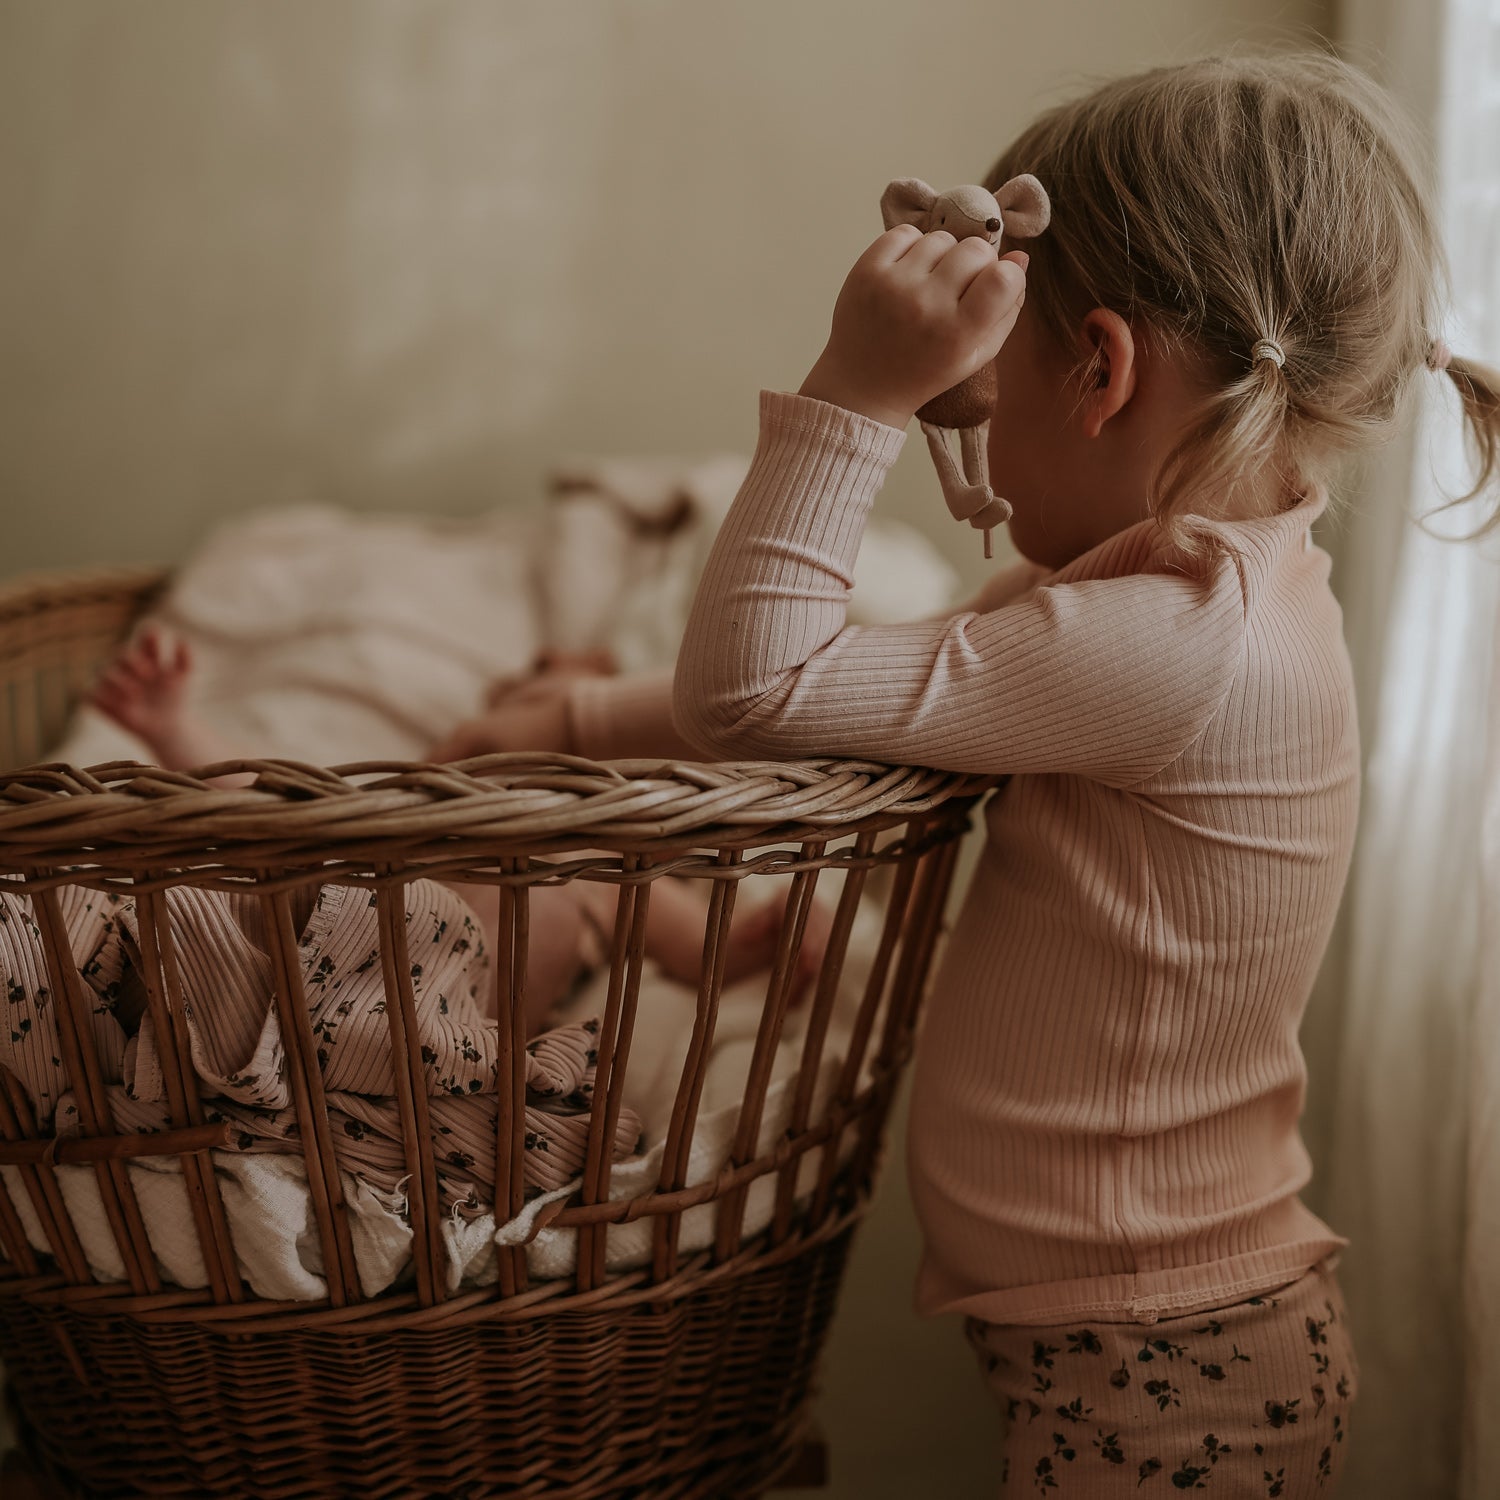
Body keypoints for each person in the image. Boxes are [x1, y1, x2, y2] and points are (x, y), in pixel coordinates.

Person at [649, 51, 1496, 1496]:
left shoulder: (1173, 646)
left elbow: (751, 687)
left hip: (1166, 1353)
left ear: (1099, 372)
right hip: (1153, 1332)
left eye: (967, 394)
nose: (957, 426)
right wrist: (575, 716)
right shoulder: (1167, 600)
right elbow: (853, 683)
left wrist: (854, 389)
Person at [89, 629, 828, 1033]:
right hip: (353, 912)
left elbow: (713, 957)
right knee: (283, 842)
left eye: (565, 697)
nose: (540, 691)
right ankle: (200, 988)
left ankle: (401, 1067)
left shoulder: (602, 855)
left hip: (450, 1005)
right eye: (528, 689)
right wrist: (178, 728)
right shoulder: (404, 792)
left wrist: (783, 929)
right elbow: (269, 810)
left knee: (538, 901)